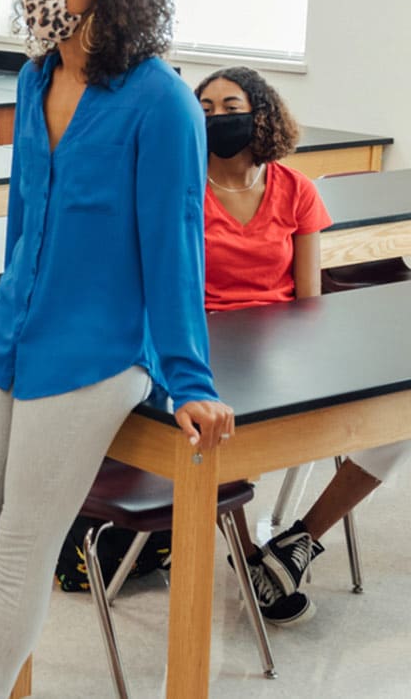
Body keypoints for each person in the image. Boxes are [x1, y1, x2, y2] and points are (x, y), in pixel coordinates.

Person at [0, 0, 235, 698]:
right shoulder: (34, 80)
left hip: (92, 352)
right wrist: (3, 307)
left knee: (21, 549)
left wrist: (188, 378)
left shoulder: (162, 103)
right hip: (4, 333)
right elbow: (26, 221)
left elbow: (174, 249)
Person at [196, 66, 411, 626]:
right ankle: (245, 556)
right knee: (215, 426)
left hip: (284, 343)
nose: (219, 117)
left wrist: (311, 359)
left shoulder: (296, 190)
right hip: (211, 341)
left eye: (231, 104)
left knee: (396, 420)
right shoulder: (183, 191)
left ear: (260, 112)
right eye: (207, 108)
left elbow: (309, 296)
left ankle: (298, 543)